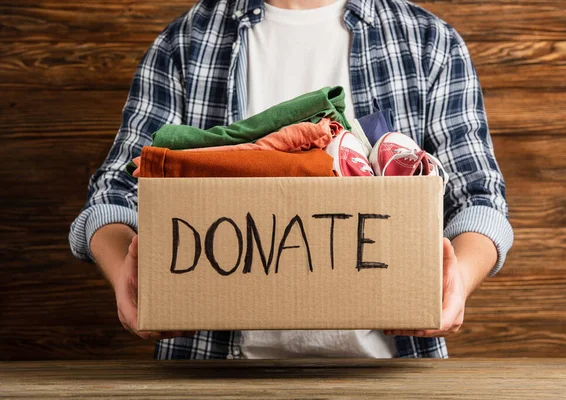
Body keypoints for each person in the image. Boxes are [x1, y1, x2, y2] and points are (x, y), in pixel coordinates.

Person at [70, 0, 513, 359]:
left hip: (389, 369)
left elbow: (478, 197)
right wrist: (125, 274)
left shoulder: (428, 42)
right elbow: (116, 191)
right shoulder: (185, 42)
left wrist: (458, 281)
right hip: (213, 368)